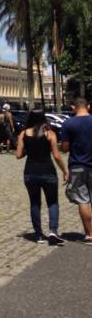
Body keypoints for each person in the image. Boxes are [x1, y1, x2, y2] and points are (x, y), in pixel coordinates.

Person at [16, 110, 68, 245]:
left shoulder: (23, 133)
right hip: (48, 172)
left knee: (35, 203)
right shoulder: (50, 134)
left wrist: (30, 148)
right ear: (43, 119)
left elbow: (18, 155)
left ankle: (38, 234)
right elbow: (56, 155)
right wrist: (65, 170)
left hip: (30, 172)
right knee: (52, 202)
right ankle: (53, 231)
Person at [61, 97, 92, 245]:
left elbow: (65, 148)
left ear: (74, 107)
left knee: (83, 200)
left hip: (77, 165)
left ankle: (89, 235)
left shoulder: (68, 124)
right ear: (89, 106)